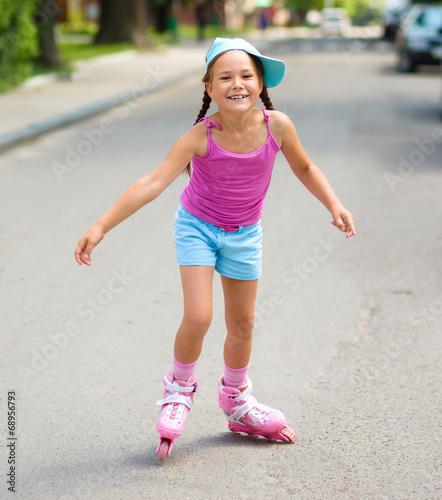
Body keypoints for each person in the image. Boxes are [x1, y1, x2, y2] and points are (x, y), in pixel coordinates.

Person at [74, 37, 356, 461]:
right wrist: (100, 226)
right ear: (209, 88)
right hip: (197, 230)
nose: (236, 83)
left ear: (260, 84)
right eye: (225, 77)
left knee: (242, 325)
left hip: (245, 235)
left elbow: (305, 166)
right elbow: (152, 183)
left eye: (246, 75)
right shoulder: (199, 137)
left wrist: (333, 203)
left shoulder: (278, 126)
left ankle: (237, 399)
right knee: (200, 315)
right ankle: (178, 391)